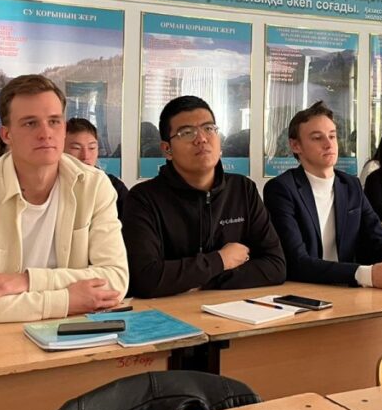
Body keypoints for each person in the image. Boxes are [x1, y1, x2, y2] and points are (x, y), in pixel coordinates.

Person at [0, 75, 129, 323]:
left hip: (74, 332)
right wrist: (66, 300)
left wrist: (26, 281)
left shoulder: (94, 185)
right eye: (30, 123)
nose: (45, 133)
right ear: (7, 135)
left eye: (54, 121)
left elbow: (115, 280)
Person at [122, 96, 285, 298]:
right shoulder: (143, 199)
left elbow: (275, 266)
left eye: (209, 128)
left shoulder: (243, 189)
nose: (201, 139)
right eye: (187, 133)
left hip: (233, 307)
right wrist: (221, 260)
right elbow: (146, 279)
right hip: (169, 312)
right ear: (167, 149)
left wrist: (201, 279)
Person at [263, 102, 382, 289]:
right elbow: (296, 261)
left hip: (348, 288)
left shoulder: (350, 185)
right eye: (317, 138)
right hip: (306, 288)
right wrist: (367, 274)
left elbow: (379, 236)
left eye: (332, 136)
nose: (329, 144)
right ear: (295, 145)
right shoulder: (281, 189)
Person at [64, 117, 129, 220]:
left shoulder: (113, 186)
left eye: (92, 148)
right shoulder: (53, 185)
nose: (85, 156)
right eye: (76, 148)